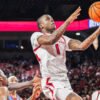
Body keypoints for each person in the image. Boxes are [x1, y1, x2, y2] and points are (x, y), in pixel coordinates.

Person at [30, 6, 100, 100]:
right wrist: (68, 21)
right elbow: (51, 40)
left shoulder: (63, 39)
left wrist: (98, 30)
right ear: (41, 25)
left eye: (52, 19)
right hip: (51, 81)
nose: (52, 20)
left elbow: (82, 46)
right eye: (48, 19)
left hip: (65, 81)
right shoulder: (36, 36)